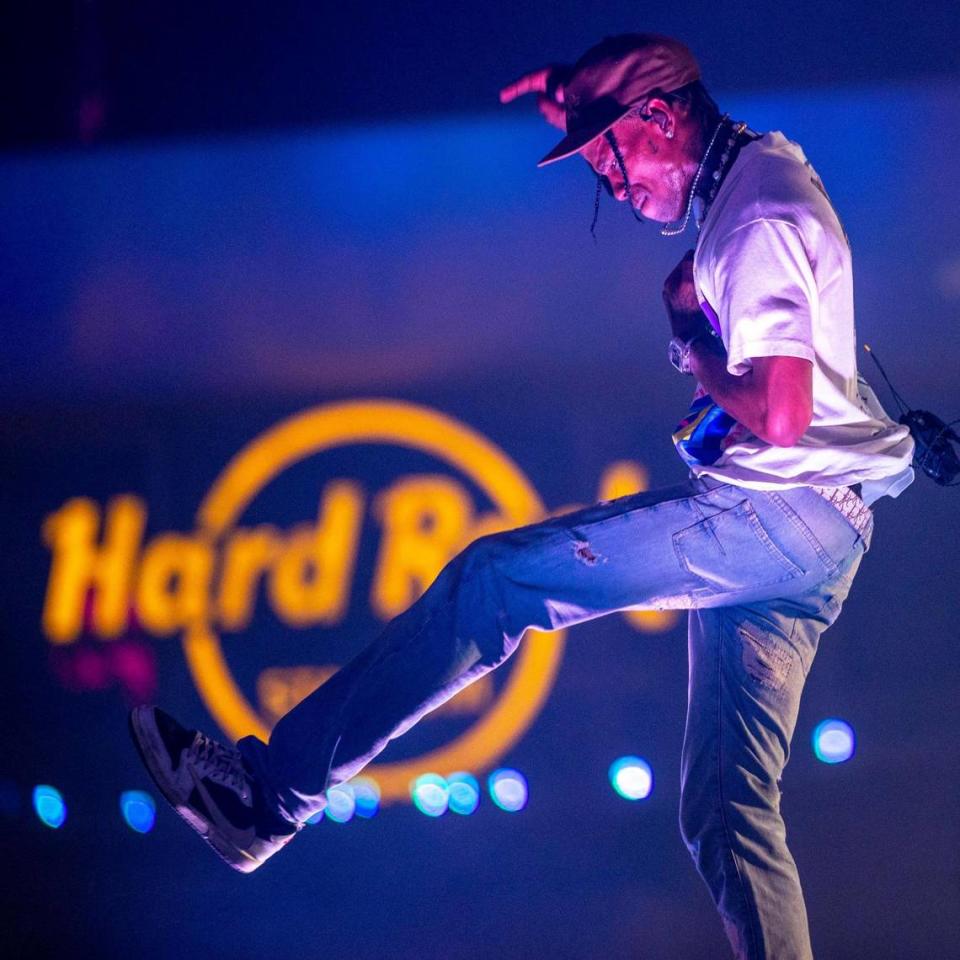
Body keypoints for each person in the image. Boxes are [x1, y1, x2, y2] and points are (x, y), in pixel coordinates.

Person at [129, 33, 914, 960]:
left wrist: (690, 342)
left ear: (660, 117)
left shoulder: (754, 219)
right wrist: (584, 97)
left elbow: (780, 417)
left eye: (609, 157)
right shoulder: (760, 168)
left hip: (775, 520)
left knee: (493, 582)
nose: (613, 189)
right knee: (724, 810)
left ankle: (267, 799)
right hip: (816, 536)